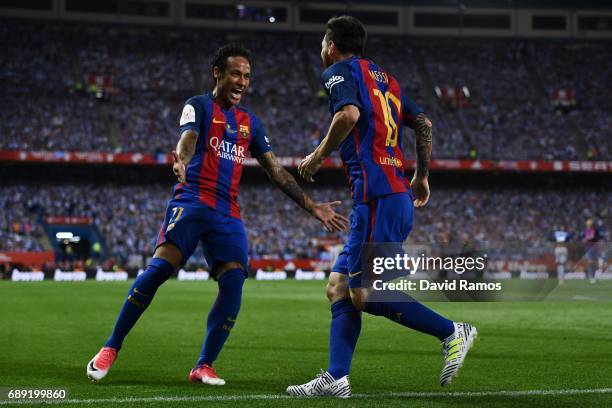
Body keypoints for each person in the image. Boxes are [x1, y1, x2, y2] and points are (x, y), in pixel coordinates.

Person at [86, 44, 349, 385]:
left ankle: (203, 365)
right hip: (193, 200)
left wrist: (312, 205)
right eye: (236, 74)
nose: (242, 81)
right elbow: (188, 138)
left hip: (228, 213)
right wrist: (181, 159)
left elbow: (275, 171)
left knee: (234, 282)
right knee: (158, 270)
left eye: (247, 76)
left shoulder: (250, 124)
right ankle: (111, 347)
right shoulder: (198, 106)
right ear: (218, 73)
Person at [287, 16, 477, 398]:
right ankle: (337, 377)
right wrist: (422, 175)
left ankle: (452, 331)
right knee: (338, 287)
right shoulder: (386, 80)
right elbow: (423, 123)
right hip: (383, 198)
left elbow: (349, 115)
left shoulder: (338, 71)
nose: (323, 48)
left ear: (331, 45)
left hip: (379, 198)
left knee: (365, 294)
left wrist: (318, 155)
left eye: (324, 42)